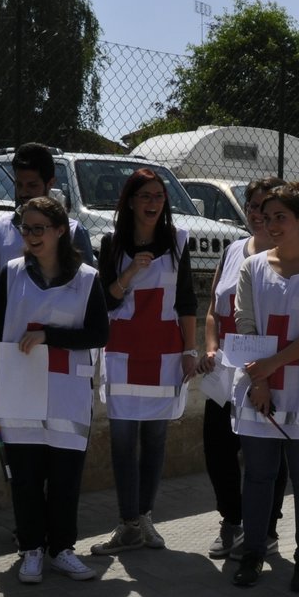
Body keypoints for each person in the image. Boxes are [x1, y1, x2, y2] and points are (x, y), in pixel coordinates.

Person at [0, 196, 109, 584]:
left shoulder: (87, 279)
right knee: (26, 477)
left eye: (39, 228)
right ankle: (31, 549)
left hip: (68, 392)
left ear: (61, 231)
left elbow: (100, 333)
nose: (31, 236)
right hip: (19, 389)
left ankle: (62, 549)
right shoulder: (12, 274)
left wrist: (49, 336)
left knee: (66, 478)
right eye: (25, 228)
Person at [228, 182, 299, 591]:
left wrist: (270, 368)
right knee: (258, 475)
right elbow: (245, 325)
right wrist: (258, 381)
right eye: (266, 215)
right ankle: (253, 554)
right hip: (258, 388)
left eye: (281, 216)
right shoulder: (252, 267)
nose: (272, 224)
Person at [91, 169, 198, 554]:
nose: (153, 203)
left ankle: (146, 518)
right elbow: (108, 300)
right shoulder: (110, 244)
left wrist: (190, 350)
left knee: (155, 439)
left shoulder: (178, 242)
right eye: (145, 196)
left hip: (165, 353)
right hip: (123, 354)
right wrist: (132, 271)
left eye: (158, 196)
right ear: (131, 202)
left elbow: (187, 301)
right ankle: (127, 523)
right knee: (122, 442)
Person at [197, 176, 289, 560]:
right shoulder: (234, 250)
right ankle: (232, 521)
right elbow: (213, 311)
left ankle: (265, 529)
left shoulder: (291, 257)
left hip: (265, 370)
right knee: (218, 449)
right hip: (226, 372)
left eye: (267, 208)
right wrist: (211, 346)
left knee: (264, 455)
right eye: (253, 206)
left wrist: (265, 371)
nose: (258, 215)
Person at [0, 143, 94, 328]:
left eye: (32, 185)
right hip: (10, 336)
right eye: (19, 184)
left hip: (58, 338)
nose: (24, 192)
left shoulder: (73, 231)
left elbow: (87, 289)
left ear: (50, 183)